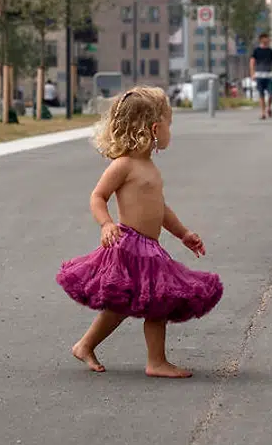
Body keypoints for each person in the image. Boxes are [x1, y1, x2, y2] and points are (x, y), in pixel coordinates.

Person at [56, 86, 223, 378]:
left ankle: (89, 345)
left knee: (143, 304)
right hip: (129, 246)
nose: (172, 131)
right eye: (170, 124)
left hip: (150, 248)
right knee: (146, 304)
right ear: (155, 129)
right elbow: (98, 196)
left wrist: (183, 234)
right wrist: (107, 224)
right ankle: (152, 361)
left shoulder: (149, 167)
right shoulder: (124, 165)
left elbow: (160, 208)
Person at [248, 33, 272, 119]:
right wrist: (252, 74)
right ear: (261, 40)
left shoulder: (271, 51)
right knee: (261, 95)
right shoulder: (256, 51)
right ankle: (263, 113)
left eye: (268, 39)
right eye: (266, 38)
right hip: (259, 75)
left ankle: (269, 107)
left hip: (269, 76)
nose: (267, 40)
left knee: (271, 93)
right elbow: (252, 62)